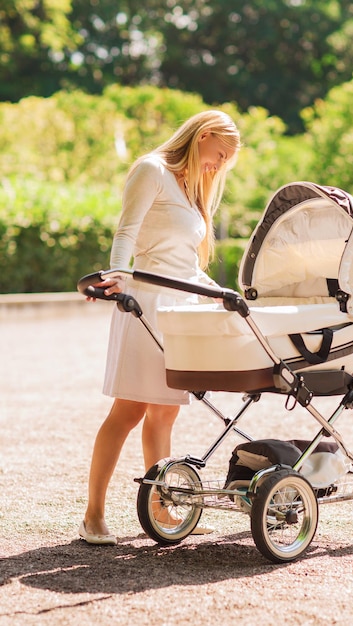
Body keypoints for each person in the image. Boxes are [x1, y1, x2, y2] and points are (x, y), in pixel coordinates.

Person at [79, 110, 241, 545]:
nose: (218, 166)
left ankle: (161, 509)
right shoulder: (152, 169)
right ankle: (93, 515)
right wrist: (116, 279)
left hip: (179, 310)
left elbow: (184, 266)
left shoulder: (190, 190)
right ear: (203, 135)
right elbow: (126, 233)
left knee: (165, 413)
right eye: (219, 154)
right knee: (128, 410)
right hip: (145, 304)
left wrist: (220, 292)